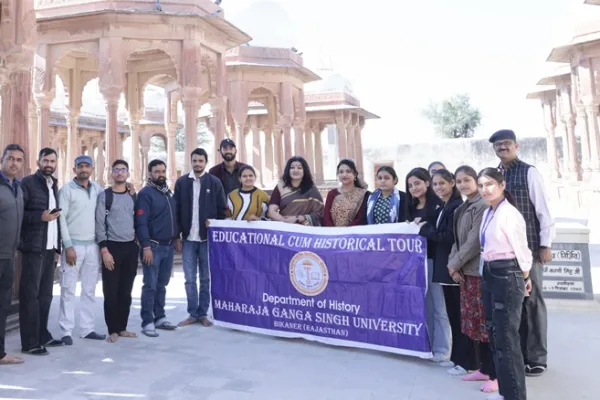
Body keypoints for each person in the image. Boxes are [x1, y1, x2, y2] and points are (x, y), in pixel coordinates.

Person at [489, 129, 553, 377]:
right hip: (505, 252)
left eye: (506, 143)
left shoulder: (529, 172)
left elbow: (543, 210)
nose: (502, 148)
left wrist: (545, 244)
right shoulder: (495, 175)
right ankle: (521, 354)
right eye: (498, 145)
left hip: (530, 248)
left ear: (516, 146)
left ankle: (537, 358)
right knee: (515, 304)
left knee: (532, 302)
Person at [478, 167, 532, 400]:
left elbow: (522, 249)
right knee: (495, 333)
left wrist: (525, 277)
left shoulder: (509, 213)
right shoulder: (488, 212)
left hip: (507, 273)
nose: (485, 189)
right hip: (490, 272)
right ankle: (505, 391)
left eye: (490, 184)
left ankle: (514, 395)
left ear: (502, 185)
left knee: (506, 338)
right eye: (481, 185)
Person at [448, 166, 497, 393]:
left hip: (478, 272)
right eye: (459, 181)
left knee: (486, 324)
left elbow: (474, 241)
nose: (462, 185)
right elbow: (457, 241)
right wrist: (453, 265)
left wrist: (455, 263)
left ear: (476, 180)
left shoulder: (482, 205)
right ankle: (484, 369)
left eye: (467, 180)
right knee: (475, 325)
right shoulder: (462, 207)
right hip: (465, 272)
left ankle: (495, 373)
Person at [419, 169, 468, 372]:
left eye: (442, 183)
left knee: (457, 315)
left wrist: (425, 230)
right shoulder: (444, 206)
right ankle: (456, 358)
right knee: (452, 314)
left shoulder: (456, 206)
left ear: (451, 184)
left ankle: (464, 360)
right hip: (444, 266)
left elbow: (447, 237)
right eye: (436, 184)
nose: (438, 187)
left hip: (453, 266)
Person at [18, 148, 64, 356]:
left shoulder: (53, 184)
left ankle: (42, 335)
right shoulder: (27, 183)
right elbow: (20, 214)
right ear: (38, 162)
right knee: (30, 296)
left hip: (49, 249)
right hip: (33, 248)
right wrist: (40, 217)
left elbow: (56, 220)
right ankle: (29, 342)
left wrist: (57, 248)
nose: (49, 164)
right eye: (46, 160)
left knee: (45, 296)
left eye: (52, 161)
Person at [174, 148, 226, 327]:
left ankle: (203, 313)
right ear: (191, 161)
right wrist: (177, 236)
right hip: (188, 238)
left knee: (205, 278)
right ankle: (192, 313)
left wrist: (215, 223)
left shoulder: (214, 182)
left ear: (205, 162)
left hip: (206, 239)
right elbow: (176, 210)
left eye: (200, 161)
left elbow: (222, 210)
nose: (197, 164)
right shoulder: (182, 183)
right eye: (195, 161)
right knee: (189, 279)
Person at [58, 155, 106, 345]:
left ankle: (87, 329)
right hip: (73, 246)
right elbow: (61, 218)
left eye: (87, 166)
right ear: (75, 169)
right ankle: (66, 331)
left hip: (92, 246)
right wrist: (68, 245)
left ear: (92, 169)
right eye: (80, 166)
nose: (84, 169)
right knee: (68, 289)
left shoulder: (97, 190)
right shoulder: (66, 190)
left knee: (89, 289)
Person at [406, 167, 449, 364]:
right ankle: (428, 346)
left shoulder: (438, 205)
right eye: (410, 185)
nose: (414, 188)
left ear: (427, 183)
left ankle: (443, 348)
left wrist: (422, 226)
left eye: (417, 183)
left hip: (433, 261)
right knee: (425, 306)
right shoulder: (410, 206)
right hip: (416, 263)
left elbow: (439, 235)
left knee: (439, 307)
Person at [95, 160, 139, 343]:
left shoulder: (133, 195)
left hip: (130, 247)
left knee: (126, 291)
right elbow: (99, 224)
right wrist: (104, 250)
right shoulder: (104, 196)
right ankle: (112, 329)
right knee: (111, 291)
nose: (120, 173)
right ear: (111, 173)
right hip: (112, 247)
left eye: (123, 170)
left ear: (128, 173)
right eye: (116, 170)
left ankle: (122, 328)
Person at [136, 159, 180, 337]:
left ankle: (160, 317)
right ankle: (147, 321)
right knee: (150, 285)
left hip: (168, 246)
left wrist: (177, 237)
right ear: (150, 173)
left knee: (162, 284)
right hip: (153, 247)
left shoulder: (168, 193)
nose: (160, 174)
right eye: (157, 172)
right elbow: (141, 222)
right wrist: (145, 246)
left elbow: (174, 217)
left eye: (163, 171)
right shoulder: (145, 194)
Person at [0, 144, 25, 365]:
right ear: (2, 160)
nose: (14, 163)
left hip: (8, 257)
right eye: (10, 158)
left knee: (2, 306)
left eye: (18, 160)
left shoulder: (18, 188)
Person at [268, 156, 324, 226]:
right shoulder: (281, 187)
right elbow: (271, 211)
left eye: (299, 168)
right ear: (288, 170)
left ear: (304, 171)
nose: (295, 170)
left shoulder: (311, 189)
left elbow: (320, 213)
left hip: (305, 228)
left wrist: (298, 218)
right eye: (292, 168)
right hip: (284, 226)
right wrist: (285, 221)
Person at [323, 159, 369, 227]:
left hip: (354, 232)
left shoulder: (363, 194)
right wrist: (334, 231)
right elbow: (326, 218)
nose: (344, 175)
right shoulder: (332, 194)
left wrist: (346, 231)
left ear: (355, 174)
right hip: (332, 232)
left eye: (348, 171)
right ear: (338, 175)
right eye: (341, 172)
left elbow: (361, 218)